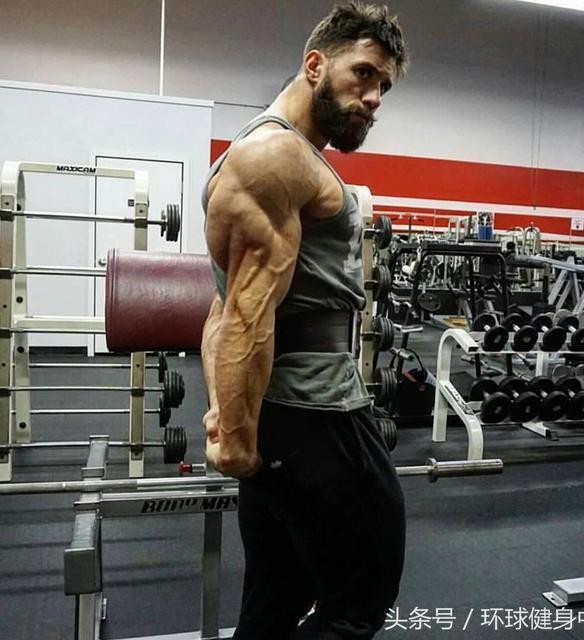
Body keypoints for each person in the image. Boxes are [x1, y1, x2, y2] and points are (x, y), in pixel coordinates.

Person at [200, 3, 408, 639]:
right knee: (357, 604)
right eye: (363, 74)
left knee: (277, 596)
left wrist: (229, 413)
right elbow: (244, 312)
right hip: (317, 414)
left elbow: (219, 309)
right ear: (315, 65)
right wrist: (235, 434)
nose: (374, 98)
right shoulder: (277, 156)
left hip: (282, 412)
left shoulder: (273, 153)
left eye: (384, 86)